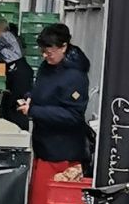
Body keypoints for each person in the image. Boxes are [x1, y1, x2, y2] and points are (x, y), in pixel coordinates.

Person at [26, 24, 92, 170]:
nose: (44, 55)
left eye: (49, 52)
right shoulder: (46, 66)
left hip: (62, 152)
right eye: (42, 51)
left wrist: (34, 110)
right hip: (42, 145)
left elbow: (73, 115)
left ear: (63, 47)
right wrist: (30, 97)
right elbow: (41, 90)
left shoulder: (75, 76)